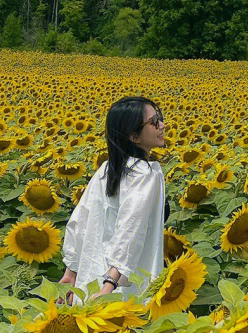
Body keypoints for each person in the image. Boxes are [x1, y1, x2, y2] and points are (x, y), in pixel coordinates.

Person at [58, 96, 167, 301]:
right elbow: (131, 230)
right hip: (122, 286)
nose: (162, 125)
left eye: (159, 117)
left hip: (91, 278)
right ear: (134, 136)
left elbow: (79, 220)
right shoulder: (145, 174)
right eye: (154, 122)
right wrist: (109, 286)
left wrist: (71, 273)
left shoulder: (108, 168)